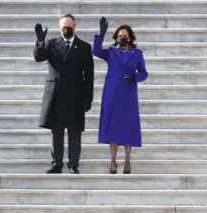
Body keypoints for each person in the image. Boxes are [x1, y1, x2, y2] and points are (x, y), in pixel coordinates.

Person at [34, 14, 94, 174]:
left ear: (75, 27)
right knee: (57, 131)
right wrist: (40, 42)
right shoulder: (51, 44)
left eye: (68, 26)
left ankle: (73, 164)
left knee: (75, 131)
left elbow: (89, 76)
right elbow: (39, 57)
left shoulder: (84, 47)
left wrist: (88, 99)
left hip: (75, 95)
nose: (66, 29)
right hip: (56, 94)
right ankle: (57, 164)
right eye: (63, 27)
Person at [93, 17, 148, 174]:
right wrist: (100, 34)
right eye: (119, 35)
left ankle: (128, 161)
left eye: (124, 35)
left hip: (128, 93)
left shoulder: (136, 53)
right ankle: (113, 161)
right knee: (113, 127)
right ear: (116, 37)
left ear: (129, 37)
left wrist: (135, 77)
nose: (122, 37)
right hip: (112, 92)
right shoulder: (111, 52)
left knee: (128, 126)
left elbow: (144, 73)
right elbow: (96, 51)